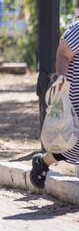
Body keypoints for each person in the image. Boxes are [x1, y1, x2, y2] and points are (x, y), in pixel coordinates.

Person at [30, 21, 79, 189]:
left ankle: (42, 161)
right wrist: (62, 79)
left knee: (72, 145)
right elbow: (63, 54)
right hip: (75, 99)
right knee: (70, 142)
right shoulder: (78, 29)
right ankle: (41, 161)